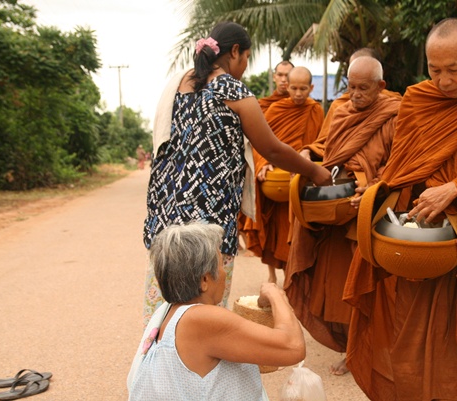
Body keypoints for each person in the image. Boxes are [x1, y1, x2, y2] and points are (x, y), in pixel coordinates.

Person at [343, 18, 457, 400]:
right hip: (422, 236)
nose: (443, 81)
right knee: (414, 327)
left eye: (454, 70)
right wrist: (376, 197)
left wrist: (455, 189)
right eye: (435, 69)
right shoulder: (417, 100)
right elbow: (402, 169)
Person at [142, 22, 331, 325]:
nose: (244, 65)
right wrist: (314, 171)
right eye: (246, 57)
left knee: (163, 312)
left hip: (166, 219)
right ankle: (197, 369)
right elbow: (271, 148)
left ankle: (154, 363)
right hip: (208, 223)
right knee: (206, 314)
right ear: (234, 52)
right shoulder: (230, 87)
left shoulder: (180, 83)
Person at [285, 57, 402, 375]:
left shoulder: (396, 112)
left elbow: (400, 163)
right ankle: (353, 349)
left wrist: (376, 187)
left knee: (372, 285)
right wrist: (309, 152)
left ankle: (374, 351)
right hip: (336, 209)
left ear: (381, 86)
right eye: (351, 87)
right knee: (339, 286)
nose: (356, 95)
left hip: (371, 210)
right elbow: (326, 145)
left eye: (364, 88)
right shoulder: (339, 109)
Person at [128, 222, 305, 400]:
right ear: (204, 279)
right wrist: (276, 295)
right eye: (221, 265)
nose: (224, 273)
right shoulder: (202, 319)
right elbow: (293, 347)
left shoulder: (170, 312)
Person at [242, 66, 324, 284]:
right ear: (287, 87)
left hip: (298, 182)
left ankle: (292, 277)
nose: (298, 94)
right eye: (294, 88)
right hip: (275, 182)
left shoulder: (315, 110)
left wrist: (306, 157)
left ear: (311, 88)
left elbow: (320, 142)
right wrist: (263, 165)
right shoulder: (275, 110)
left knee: (295, 232)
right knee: (272, 232)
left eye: (303, 89)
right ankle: (270, 276)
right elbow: (259, 143)